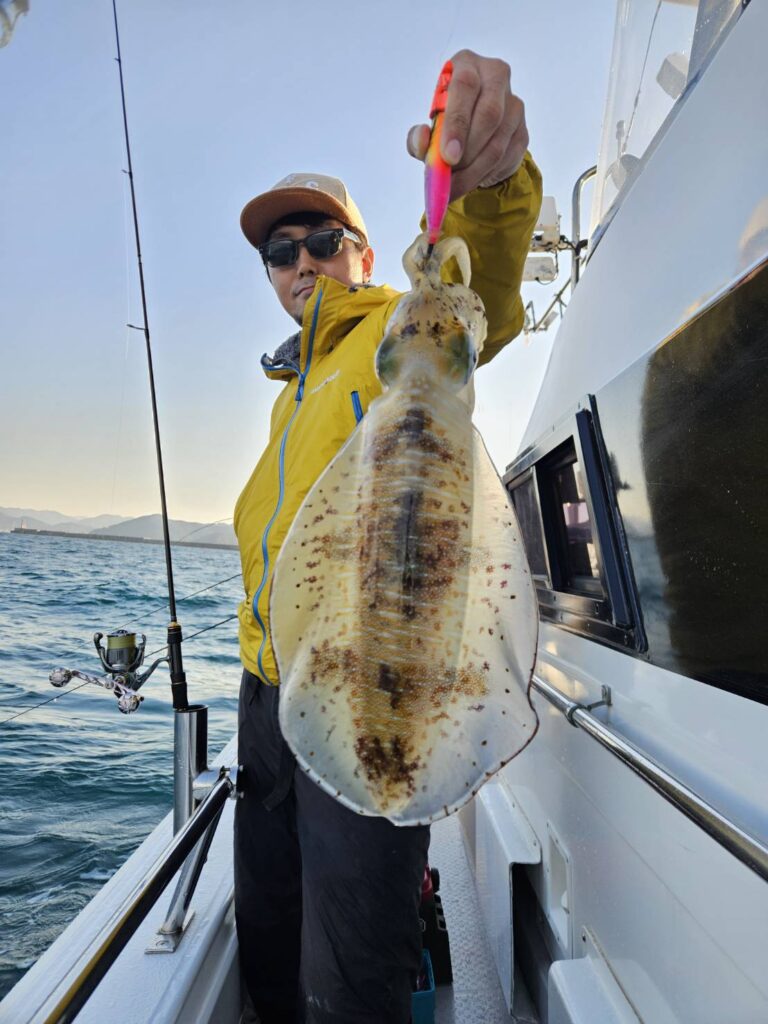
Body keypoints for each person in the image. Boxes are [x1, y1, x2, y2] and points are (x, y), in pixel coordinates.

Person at [233, 49, 542, 1024]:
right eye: (281, 252)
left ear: (363, 254)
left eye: (323, 240)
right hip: (269, 688)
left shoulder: (391, 336)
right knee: (268, 938)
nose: (302, 263)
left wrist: (488, 186)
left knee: (352, 975)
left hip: (375, 689)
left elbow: (474, 300)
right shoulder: (292, 391)